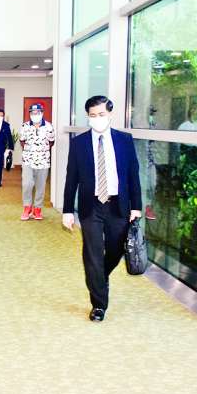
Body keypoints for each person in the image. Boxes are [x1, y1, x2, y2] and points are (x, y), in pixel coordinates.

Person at [62, 95, 142, 323]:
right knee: (93, 253)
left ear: (110, 114)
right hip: (91, 205)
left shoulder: (124, 140)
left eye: (101, 114)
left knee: (116, 250)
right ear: (88, 117)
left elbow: (133, 175)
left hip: (118, 204)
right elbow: (71, 178)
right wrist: (67, 210)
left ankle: (100, 276)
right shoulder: (79, 143)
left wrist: (136, 206)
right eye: (93, 115)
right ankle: (99, 304)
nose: (97, 118)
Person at [18, 103, 55, 221]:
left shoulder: (49, 126)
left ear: (42, 113)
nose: (35, 115)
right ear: (30, 114)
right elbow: (22, 141)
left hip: (43, 161)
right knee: (27, 184)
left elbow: (51, 142)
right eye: (33, 113)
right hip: (28, 160)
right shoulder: (25, 126)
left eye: (37, 112)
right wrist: (30, 151)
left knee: (41, 186)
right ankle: (27, 207)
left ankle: (37, 209)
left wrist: (41, 150)